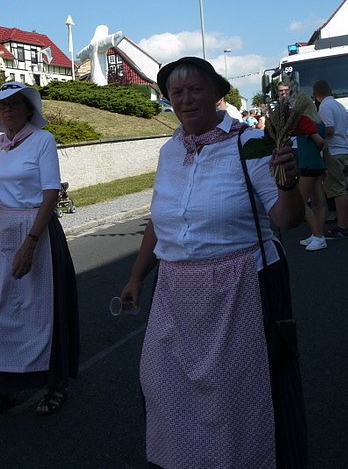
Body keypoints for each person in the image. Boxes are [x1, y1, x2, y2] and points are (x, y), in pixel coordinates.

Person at [120, 57, 308, 468]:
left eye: (195, 90)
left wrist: (289, 180)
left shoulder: (251, 144)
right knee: (163, 386)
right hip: (175, 291)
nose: (185, 100)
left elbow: (286, 220)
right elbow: (160, 219)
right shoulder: (169, 151)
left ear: (217, 93)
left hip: (242, 285)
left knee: (238, 395)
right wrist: (136, 276)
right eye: (176, 93)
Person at [0, 82, 80, 422]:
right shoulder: (4, 144)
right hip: (2, 231)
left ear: (28, 110)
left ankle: (54, 384)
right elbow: (15, 185)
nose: (6, 111)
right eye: (1, 106)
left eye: (14, 105)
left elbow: (49, 193)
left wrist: (31, 242)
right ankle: (1, 390)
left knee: (41, 308)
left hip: (36, 231)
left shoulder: (43, 141)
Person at [313, 80, 348, 239]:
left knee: (337, 191)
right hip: (344, 150)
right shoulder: (340, 106)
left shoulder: (324, 107)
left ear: (316, 94)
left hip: (334, 150)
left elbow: (329, 128)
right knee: (343, 188)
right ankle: (344, 224)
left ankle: (342, 227)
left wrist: (314, 132)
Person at [296, 101, 328, 251]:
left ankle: (318, 235)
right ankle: (318, 234)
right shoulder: (320, 122)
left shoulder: (304, 121)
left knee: (301, 202)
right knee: (319, 201)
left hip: (307, 164)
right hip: (317, 163)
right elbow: (323, 141)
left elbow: (320, 141)